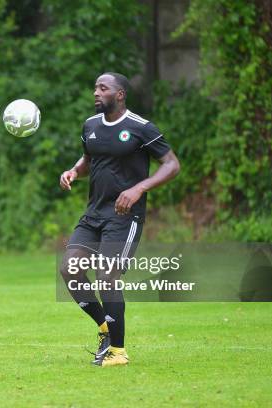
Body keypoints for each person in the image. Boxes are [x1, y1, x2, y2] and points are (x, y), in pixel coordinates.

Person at [59, 72, 180, 366]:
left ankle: (118, 352)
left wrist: (140, 188)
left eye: (103, 88)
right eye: (95, 87)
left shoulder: (141, 128)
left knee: (106, 275)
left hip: (125, 216)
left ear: (120, 94)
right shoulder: (90, 125)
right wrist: (74, 171)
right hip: (94, 213)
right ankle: (105, 329)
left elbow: (172, 164)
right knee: (69, 270)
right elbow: (89, 160)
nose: (96, 93)